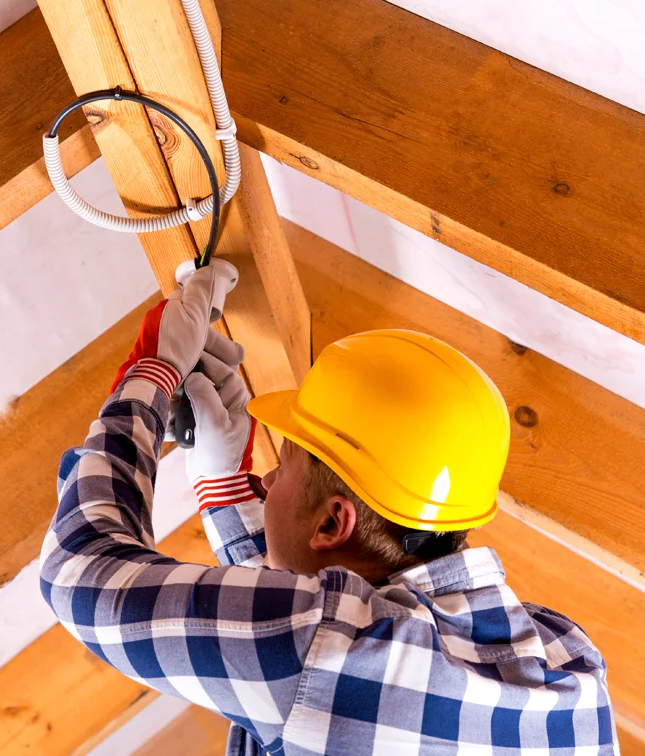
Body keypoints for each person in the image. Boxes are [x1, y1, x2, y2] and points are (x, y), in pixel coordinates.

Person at [40, 267, 615, 754]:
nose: (265, 477)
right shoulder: (565, 657)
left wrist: (152, 375)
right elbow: (325, 631)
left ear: (333, 522)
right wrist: (224, 487)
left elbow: (76, 571)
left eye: (282, 463)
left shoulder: (325, 649)